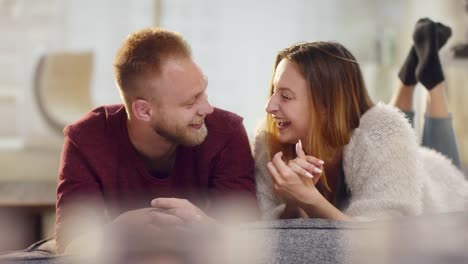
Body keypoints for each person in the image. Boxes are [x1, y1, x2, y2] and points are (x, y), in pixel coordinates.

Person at [55, 27, 257, 253]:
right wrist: (122, 228)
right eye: (190, 103)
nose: (207, 109)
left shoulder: (227, 132)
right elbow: (69, 245)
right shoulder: (85, 140)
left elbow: (248, 240)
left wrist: (201, 223)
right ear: (144, 111)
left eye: (203, 92)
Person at [254, 18, 468, 221]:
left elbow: (384, 235)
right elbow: (273, 231)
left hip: (438, 188)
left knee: (399, 134)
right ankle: (409, 75)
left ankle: (432, 81)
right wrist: (294, 203)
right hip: (394, 154)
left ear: (326, 105)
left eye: (286, 96)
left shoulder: (383, 134)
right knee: (388, 130)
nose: (269, 106)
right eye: (273, 91)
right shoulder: (270, 144)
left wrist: (311, 201)